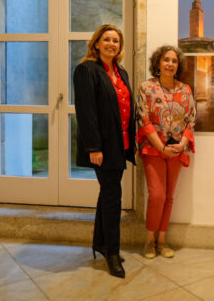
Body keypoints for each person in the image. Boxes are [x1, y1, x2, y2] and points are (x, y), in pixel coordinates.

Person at [73, 24, 135, 279]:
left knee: (108, 194)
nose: (112, 44)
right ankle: (112, 253)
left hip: (121, 145)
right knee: (113, 197)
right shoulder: (86, 70)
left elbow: (126, 107)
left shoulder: (121, 72)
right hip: (103, 148)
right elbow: (86, 113)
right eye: (107, 39)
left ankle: (101, 243)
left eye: (116, 41)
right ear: (96, 43)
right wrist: (94, 148)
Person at [137, 45, 195, 259]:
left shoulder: (185, 90)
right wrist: (161, 147)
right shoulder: (146, 88)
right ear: (158, 63)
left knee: (169, 196)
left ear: (178, 65)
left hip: (177, 150)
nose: (170, 64)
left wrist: (182, 145)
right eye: (166, 60)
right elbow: (143, 119)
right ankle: (149, 241)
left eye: (174, 61)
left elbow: (191, 119)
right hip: (154, 149)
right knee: (157, 195)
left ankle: (162, 240)